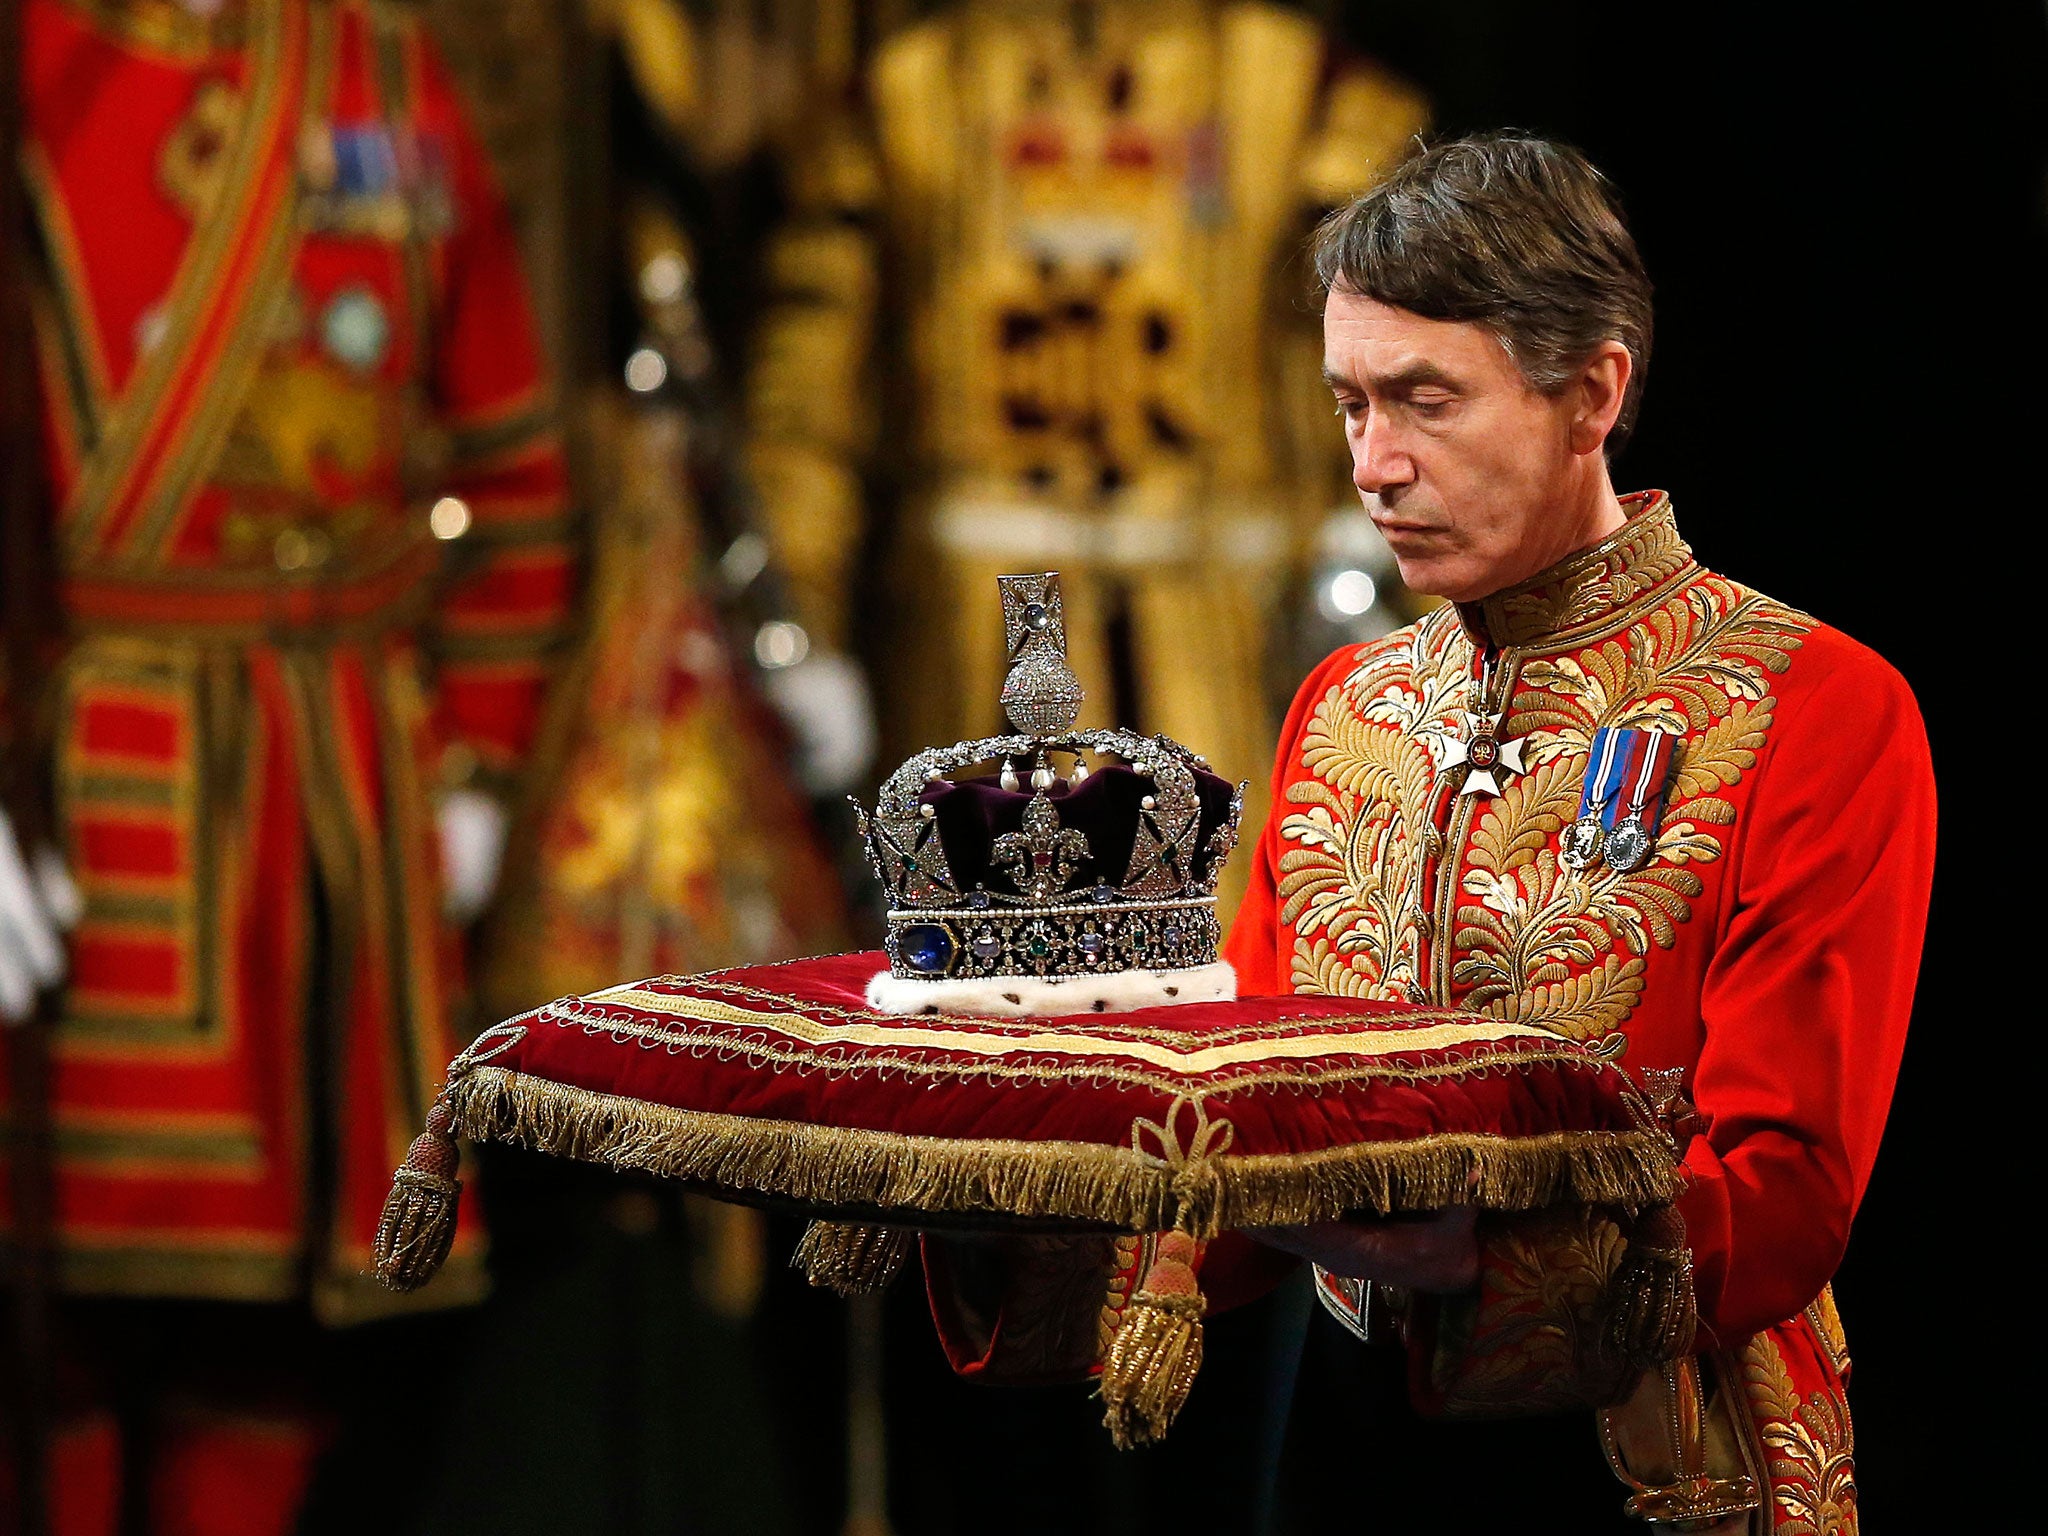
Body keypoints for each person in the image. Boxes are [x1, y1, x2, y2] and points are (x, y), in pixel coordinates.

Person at [924, 132, 1935, 1533]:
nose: (1375, 464)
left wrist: (1458, 1249)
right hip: (1342, 1454)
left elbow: (1781, 1192)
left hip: (1654, 1461)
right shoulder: (1350, 705)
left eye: (1424, 402)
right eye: (1348, 406)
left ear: (1593, 392)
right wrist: (995, 1164)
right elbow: (1239, 1112)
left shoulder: (1814, 703)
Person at [0, 0, 572, 1528]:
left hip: (342, 801)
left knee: (279, 1340)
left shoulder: (379, 70)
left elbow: (514, 465)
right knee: (51, 1326)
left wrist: (474, 770)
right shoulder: (34, 66)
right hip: (78, 781)